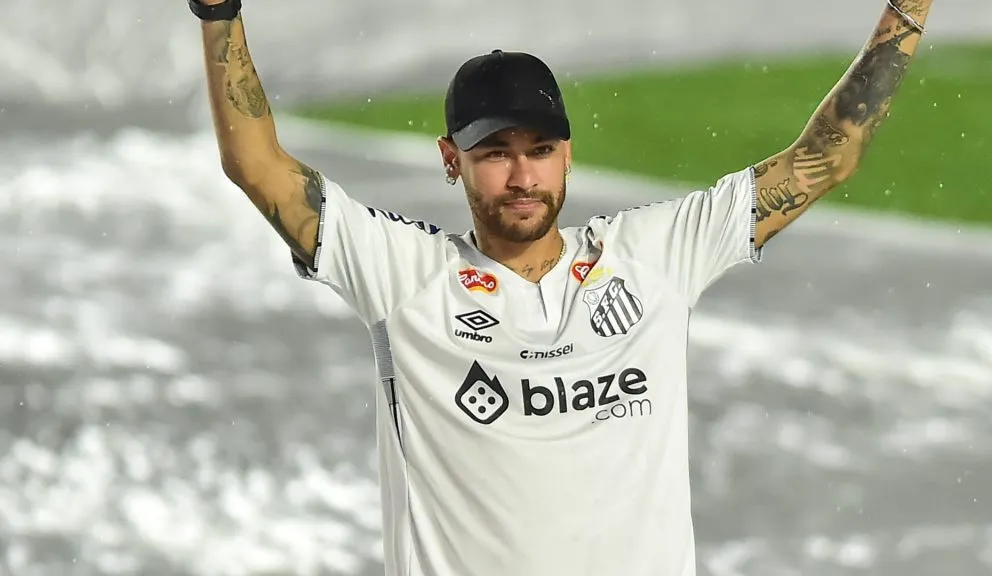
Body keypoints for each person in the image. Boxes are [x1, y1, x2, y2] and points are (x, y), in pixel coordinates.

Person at [189, 0, 934, 573]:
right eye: (495, 153)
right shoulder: (406, 275)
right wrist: (221, 14)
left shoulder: (652, 257)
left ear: (568, 154)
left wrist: (909, 10)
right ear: (451, 160)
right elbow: (258, 166)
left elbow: (823, 158)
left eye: (541, 150)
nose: (522, 176)